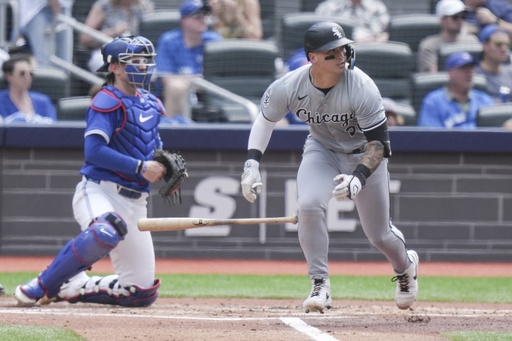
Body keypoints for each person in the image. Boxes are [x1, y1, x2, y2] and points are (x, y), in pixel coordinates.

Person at [240, 21, 419, 313]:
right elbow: (265, 120)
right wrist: (251, 164)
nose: (341, 56)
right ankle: (319, 284)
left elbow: (379, 144)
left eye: (343, 49)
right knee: (309, 205)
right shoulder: (289, 85)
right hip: (322, 149)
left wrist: (358, 178)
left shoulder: (362, 87)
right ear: (312, 58)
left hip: (364, 155)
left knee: (379, 235)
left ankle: (405, 268)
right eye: (331, 53)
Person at [14, 36, 168, 307]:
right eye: (134, 61)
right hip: (101, 190)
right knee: (105, 232)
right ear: (115, 68)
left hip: (137, 201)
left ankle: (74, 287)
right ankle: (42, 285)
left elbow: (149, 146)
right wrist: (141, 167)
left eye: (145, 60)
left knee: (141, 292)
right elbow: (94, 151)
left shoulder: (151, 103)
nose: (142, 66)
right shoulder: (106, 100)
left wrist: (164, 166)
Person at [155, 0, 222, 123]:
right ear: (184, 21)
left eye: (204, 15)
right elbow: (166, 78)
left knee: (178, 86)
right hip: (175, 93)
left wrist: (188, 81)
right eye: (197, 16)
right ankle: (174, 133)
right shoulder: (169, 40)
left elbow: (218, 80)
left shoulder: (214, 41)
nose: (203, 19)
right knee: (176, 87)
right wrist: (196, 81)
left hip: (207, 95)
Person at [418, 51, 494, 128]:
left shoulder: (485, 100)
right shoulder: (433, 102)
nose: (469, 73)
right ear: (450, 73)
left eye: (471, 68)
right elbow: (428, 137)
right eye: (464, 68)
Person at [79, 0, 154, 72]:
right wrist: (113, 32)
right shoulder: (104, 5)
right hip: (107, 52)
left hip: (138, 53)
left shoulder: (144, 6)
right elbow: (85, 38)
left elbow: (152, 34)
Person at [417, 0, 480, 73]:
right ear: (442, 20)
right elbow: (432, 75)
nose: (460, 20)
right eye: (455, 17)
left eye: (463, 16)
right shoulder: (430, 45)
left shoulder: (472, 41)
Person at [0, 54, 57, 124]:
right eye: (22, 73)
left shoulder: (43, 101)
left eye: (30, 73)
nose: (28, 77)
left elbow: (54, 129)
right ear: (8, 76)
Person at [18, 0, 74, 68]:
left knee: (65, 66)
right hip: (39, 9)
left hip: (63, 7)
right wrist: (56, 10)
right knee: (45, 64)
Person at [315, 0, 390, 43]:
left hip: (372, 54)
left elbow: (386, 34)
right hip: (340, 53)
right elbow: (321, 37)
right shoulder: (327, 8)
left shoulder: (377, 6)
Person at [474, 24, 512, 103]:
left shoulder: (510, 71)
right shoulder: (473, 75)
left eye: (507, 44)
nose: (504, 49)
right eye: (498, 44)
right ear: (485, 46)